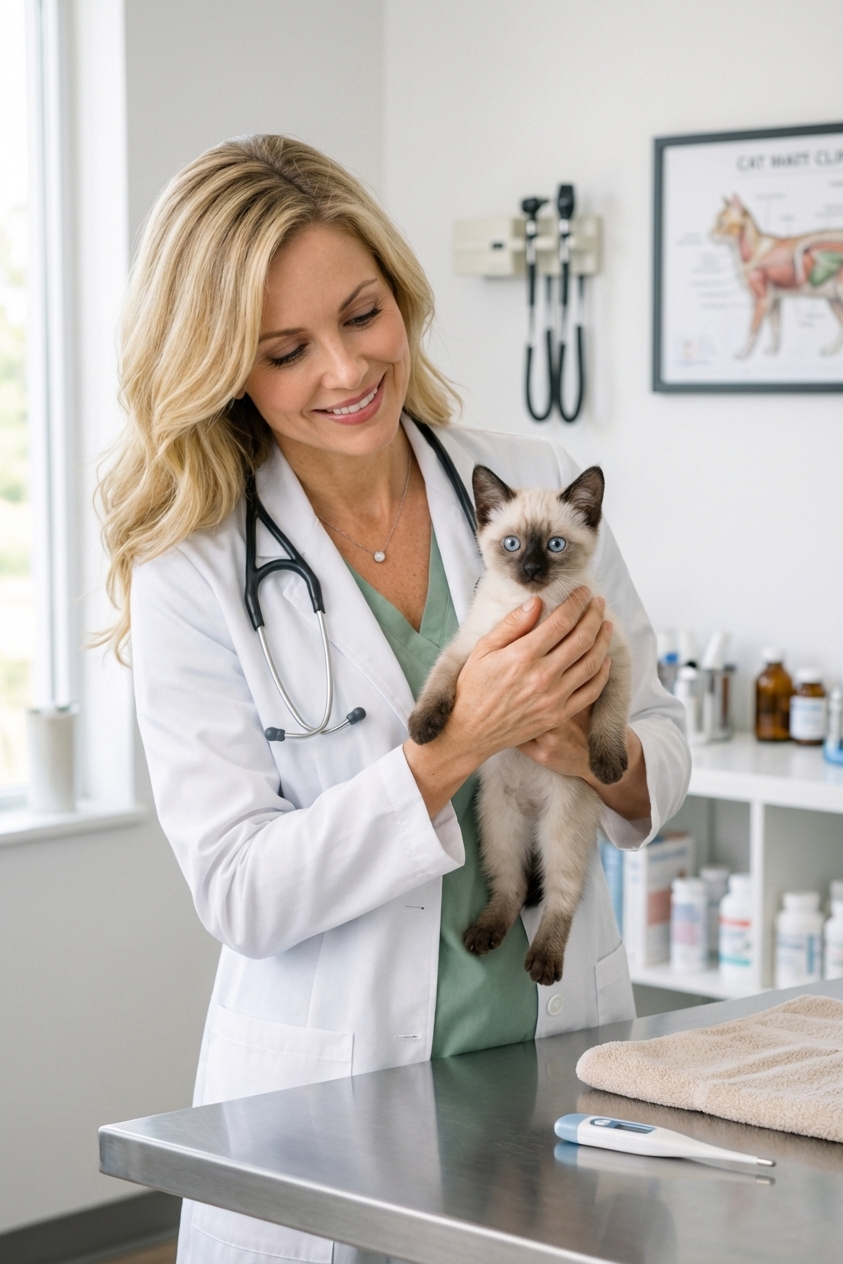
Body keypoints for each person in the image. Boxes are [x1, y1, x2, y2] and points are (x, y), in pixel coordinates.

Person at [99, 135, 690, 1264]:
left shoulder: (527, 481)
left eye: (364, 314)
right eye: (284, 349)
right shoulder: (194, 567)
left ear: (401, 294)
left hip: (550, 1070)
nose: (344, 369)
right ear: (222, 364)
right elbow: (240, 891)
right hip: (334, 1111)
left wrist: (587, 746)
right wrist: (455, 744)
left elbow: (658, 743)